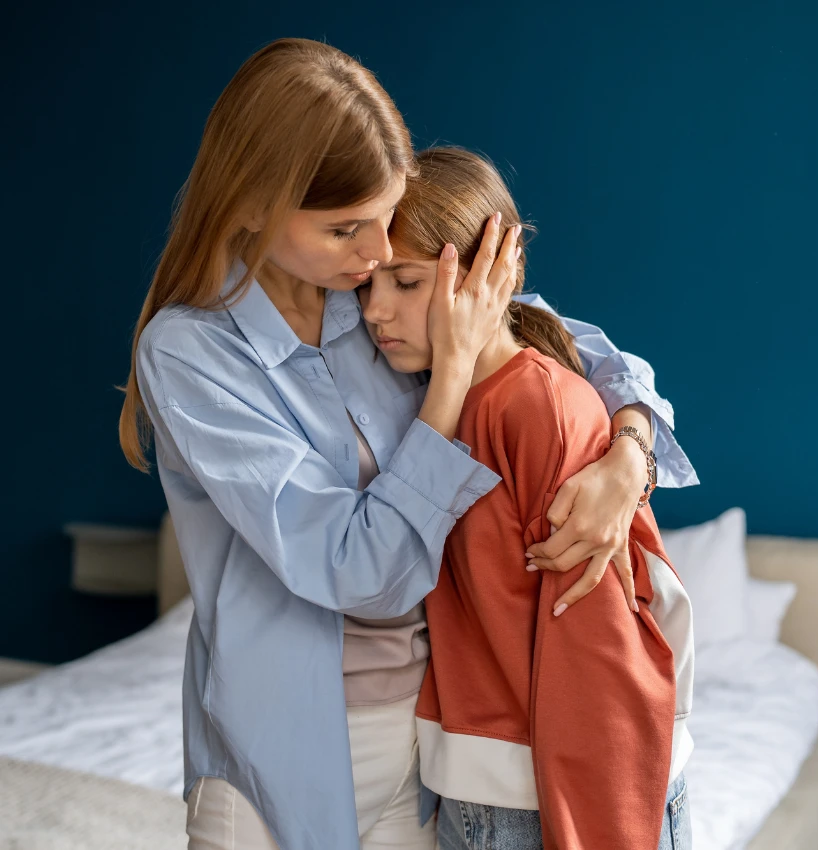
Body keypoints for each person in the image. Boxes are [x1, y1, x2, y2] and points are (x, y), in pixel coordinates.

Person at [118, 39, 697, 850]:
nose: (377, 254)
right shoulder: (192, 354)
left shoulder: (373, 299)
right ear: (251, 204)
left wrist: (628, 456)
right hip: (278, 762)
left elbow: (575, 347)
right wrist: (453, 381)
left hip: (434, 745)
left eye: (385, 222)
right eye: (346, 229)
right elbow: (361, 574)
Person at [358, 146, 695, 850]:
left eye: (407, 282)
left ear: (491, 273)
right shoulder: (439, 402)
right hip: (483, 792)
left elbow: (598, 646)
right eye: (368, 285)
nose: (374, 310)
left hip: (566, 799)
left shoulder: (538, 404)